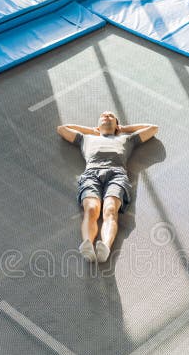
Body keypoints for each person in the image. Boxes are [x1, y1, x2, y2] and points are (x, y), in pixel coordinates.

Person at [57, 112, 158, 263]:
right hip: (91, 174)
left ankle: (105, 246)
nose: (106, 115)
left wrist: (123, 128)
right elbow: (62, 129)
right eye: (103, 115)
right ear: (98, 125)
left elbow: (153, 128)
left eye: (111, 116)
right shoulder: (86, 138)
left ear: (116, 125)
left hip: (116, 174)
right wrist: (93, 130)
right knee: (91, 209)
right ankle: (88, 245)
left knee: (110, 209)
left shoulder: (126, 138)